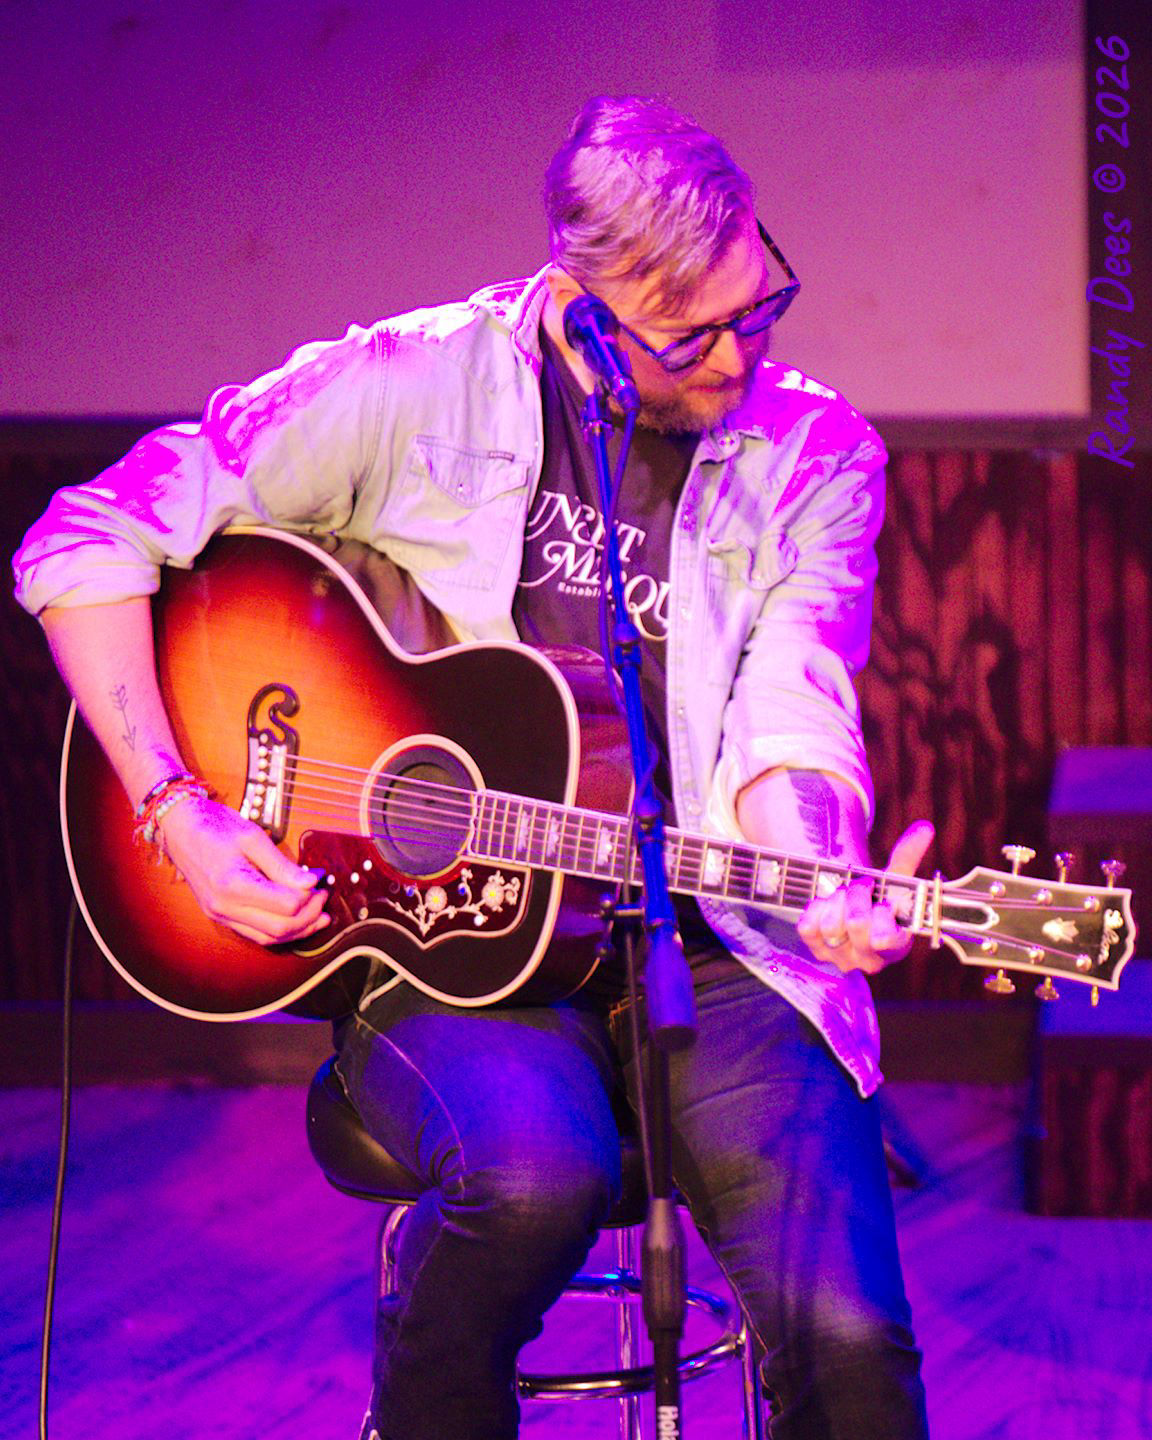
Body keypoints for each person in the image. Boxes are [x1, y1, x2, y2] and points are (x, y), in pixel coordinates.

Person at [14, 96, 932, 1439]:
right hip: (440, 950)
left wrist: (819, 879)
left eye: (762, 306)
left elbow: (797, 704)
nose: (743, 357)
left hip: (717, 940)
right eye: (695, 335)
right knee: (534, 1176)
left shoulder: (816, 451)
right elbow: (84, 538)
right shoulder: (409, 381)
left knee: (853, 1339)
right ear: (578, 306)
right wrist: (178, 809)